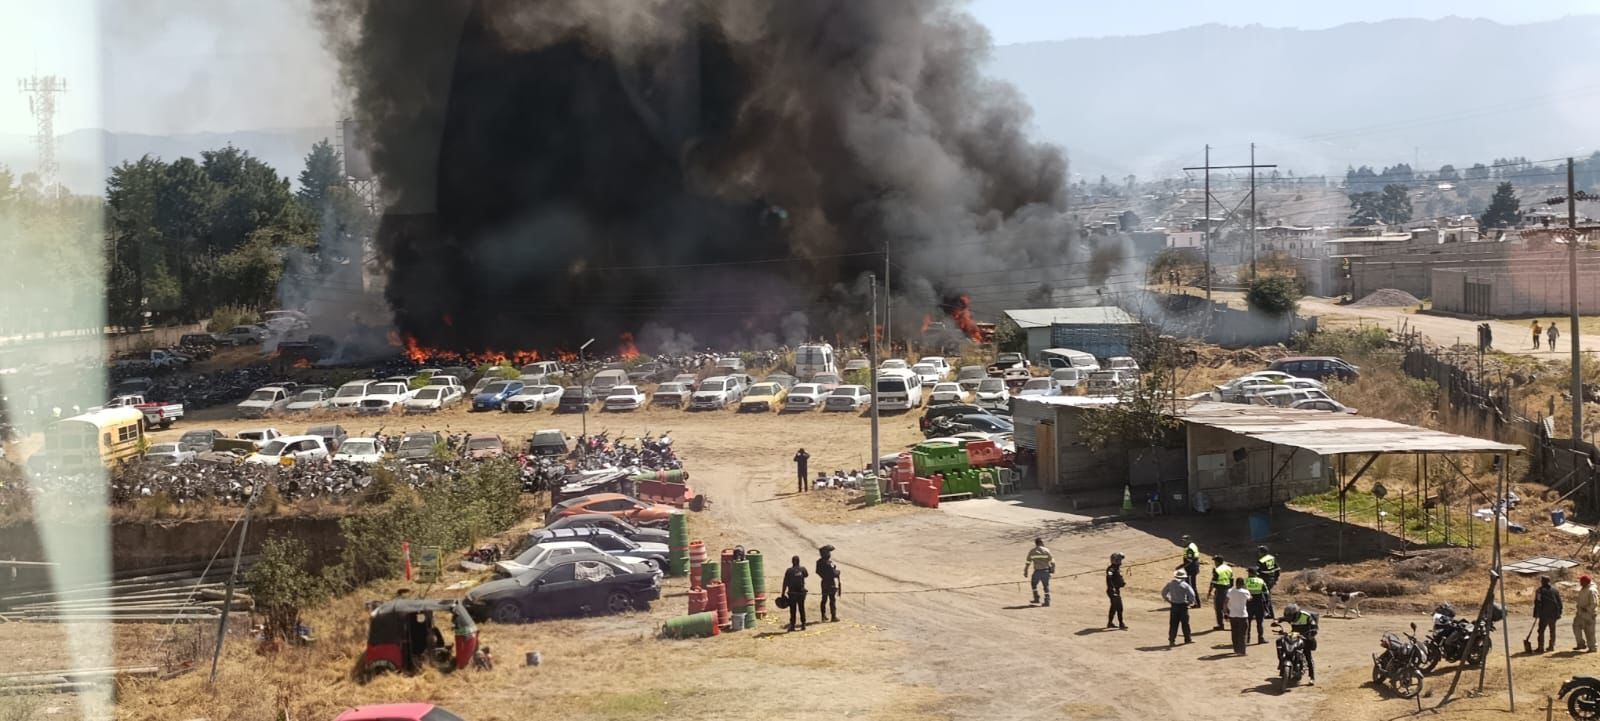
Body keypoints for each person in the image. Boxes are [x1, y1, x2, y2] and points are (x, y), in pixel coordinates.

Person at [1279, 603, 1319, 684]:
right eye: (1288, 616)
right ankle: (1282, 662)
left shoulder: (1306, 616)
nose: (1289, 618)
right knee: (1280, 641)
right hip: (1294, 635)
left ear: (1296, 614)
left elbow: (1314, 627)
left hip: (1306, 636)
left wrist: (1310, 635)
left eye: (1291, 616)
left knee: (1307, 655)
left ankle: (1312, 677)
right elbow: (1283, 619)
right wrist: (1277, 620)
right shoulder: (1290, 617)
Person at [1162, 569, 1196, 646]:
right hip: (1183, 606)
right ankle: (1187, 639)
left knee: (1173, 624)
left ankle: (1172, 640)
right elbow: (1192, 595)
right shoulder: (1185, 585)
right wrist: (1189, 603)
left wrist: (1169, 600)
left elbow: (1163, 593)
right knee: (1185, 624)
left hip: (1174, 605)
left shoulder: (1170, 584)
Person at [1533, 575, 1563, 653]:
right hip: (1554, 614)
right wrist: (1559, 613)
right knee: (1552, 630)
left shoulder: (1540, 591)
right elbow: (1560, 603)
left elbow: (1538, 602)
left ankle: (1541, 647)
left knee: (1541, 631)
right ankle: (1551, 646)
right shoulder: (1555, 590)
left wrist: (1536, 614)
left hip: (1544, 614)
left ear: (1543, 581)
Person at [1025, 537, 1055, 606]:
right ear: (1041, 542)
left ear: (1036, 543)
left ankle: (1036, 598)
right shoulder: (1046, 550)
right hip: (1046, 571)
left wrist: (1025, 571)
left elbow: (1028, 562)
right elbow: (1052, 561)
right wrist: (1053, 569)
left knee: (1033, 584)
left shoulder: (1032, 551)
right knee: (1046, 585)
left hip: (1037, 571)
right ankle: (1047, 600)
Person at [1244, 567, 1271, 644]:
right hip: (1259, 602)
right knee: (1260, 622)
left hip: (1248, 603)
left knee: (1247, 621)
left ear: (1250, 573)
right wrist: (1266, 603)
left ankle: (1247, 638)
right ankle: (1260, 638)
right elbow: (1266, 593)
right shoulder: (1260, 581)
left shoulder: (1245, 581)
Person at [783, 555, 810, 631]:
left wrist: (782, 592)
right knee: (801, 608)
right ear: (799, 561)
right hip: (801, 592)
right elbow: (806, 575)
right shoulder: (803, 569)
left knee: (793, 610)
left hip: (792, 593)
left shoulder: (789, 571)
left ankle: (792, 625)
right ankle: (803, 624)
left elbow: (785, 582)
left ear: (792, 562)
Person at [816, 544, 841, 623]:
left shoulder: (820, 562)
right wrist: (837, 572)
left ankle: (823, 615)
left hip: (824, 581)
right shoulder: (827, 563)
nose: (830, 554)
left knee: (824, 599)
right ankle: (833, 616)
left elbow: (818, 571)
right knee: (832, 599)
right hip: (830, 582)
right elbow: (832, 573)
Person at [1227, 578, 1251, 655]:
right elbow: (1250, 599)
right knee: (1243, 634)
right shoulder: (1245, 592)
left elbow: (1225, 601)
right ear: (1243, 583)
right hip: (1242, 615)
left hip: (1233, 614)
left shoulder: (1230, 591)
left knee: (1234, 633)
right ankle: (1242, 651)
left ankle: (1236, 649)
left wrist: (1225, 611)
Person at [1209, 555, 1234, 630]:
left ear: (1217, 562)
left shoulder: (1217, 570)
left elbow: (1213, 582)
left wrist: (1209, 591)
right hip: (1228, 589)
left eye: (1215, 561)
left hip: (1220, 590)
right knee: (1227, 607)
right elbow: (1232, 579)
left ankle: (1220, 625)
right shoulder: (1228, 568)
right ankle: (1233, 624)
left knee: (1219, 608)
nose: (1214, 563)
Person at [1575, 575, 1598, 652]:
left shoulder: (1592, 590)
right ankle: (1581, 644)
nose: (1580, 582)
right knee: (1576, 626)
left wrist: (1587, 609)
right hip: (1580, 613)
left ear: (1586, 582)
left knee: (1589, 631)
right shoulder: (1583, 589)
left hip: (1589, 614)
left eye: (1581, 581)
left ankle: (1593, 647)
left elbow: (1594, 603)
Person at [1178, 535, 1201, 609]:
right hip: (1191, 569)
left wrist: (1180, 567)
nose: (1183, 543)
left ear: (1189, 540)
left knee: (1192, 587)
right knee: (1188, 585)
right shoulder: (1191, 545)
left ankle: (1197, 603)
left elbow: (1189, 561)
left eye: (1184, 541)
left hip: (1191, 570)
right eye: (1182, 541)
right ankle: (1188, 601)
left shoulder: (1190, 548)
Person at [1106, 552, 1127, 629]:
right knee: (1118, 607)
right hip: (1112, 591)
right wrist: (1113, 588)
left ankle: (1110, 623)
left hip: (1115, 590)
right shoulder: (1111, 569)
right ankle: (1121, 624)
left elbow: (1118, 579)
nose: (1120, 561)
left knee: (1115, 607)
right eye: (1119, 560)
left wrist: (1121, 583)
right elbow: (1109, 577)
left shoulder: (1117, 569)